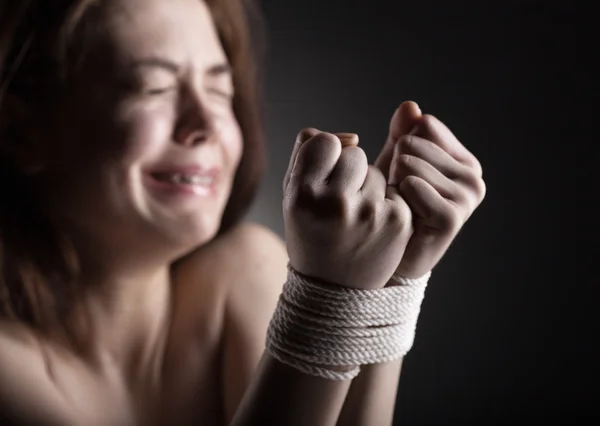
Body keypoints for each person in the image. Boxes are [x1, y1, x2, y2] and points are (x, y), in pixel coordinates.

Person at [0, 0, 486, 425]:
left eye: (219, 90)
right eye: (153, 88)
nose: (208, 123)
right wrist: (325, 302)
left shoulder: (239, 274)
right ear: (22, 131)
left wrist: (390, 284)